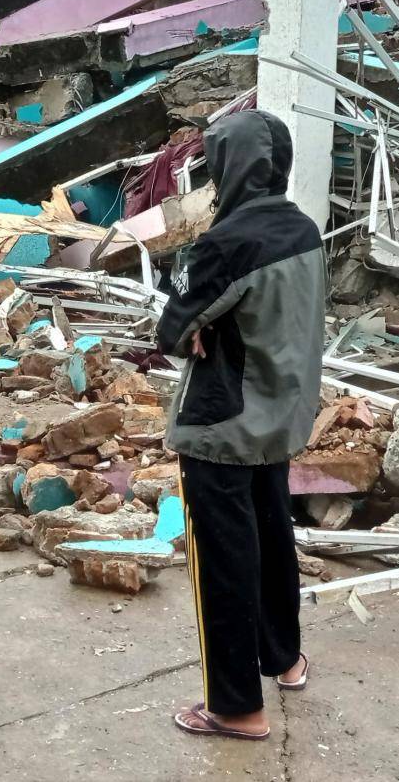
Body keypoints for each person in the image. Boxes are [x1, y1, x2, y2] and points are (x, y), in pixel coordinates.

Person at [154, 109, 326, 740]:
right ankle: (284, 659)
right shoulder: (303, 229)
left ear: (227, 167)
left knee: (223, 562)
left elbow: (172, 329)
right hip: (281, 414)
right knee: (272, 539)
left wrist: (199, 324)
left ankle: (234, 706)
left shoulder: (226, 242)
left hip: (223, 424)